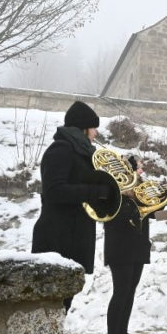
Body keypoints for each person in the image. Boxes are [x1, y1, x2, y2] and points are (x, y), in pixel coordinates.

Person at [32, 100, 116, 313]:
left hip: (75, 236)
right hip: (58, 237)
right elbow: (54, 191)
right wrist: (96, 192)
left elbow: (89, 183)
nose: (96, 133)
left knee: (63, 306)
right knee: (51, 307)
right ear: (83, 128)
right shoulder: (61, 149)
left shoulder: (84, 153)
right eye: (93, 128)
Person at [102, 157, 153, 334]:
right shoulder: (114, 192)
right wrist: (135, 199)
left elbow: (153, 213)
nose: (142, 172)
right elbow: (117, 216)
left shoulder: (140, 193)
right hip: (120, 248)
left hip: (138, 246)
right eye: (139, 169)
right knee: (120, 292)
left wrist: (162, 196)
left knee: (130, 292)